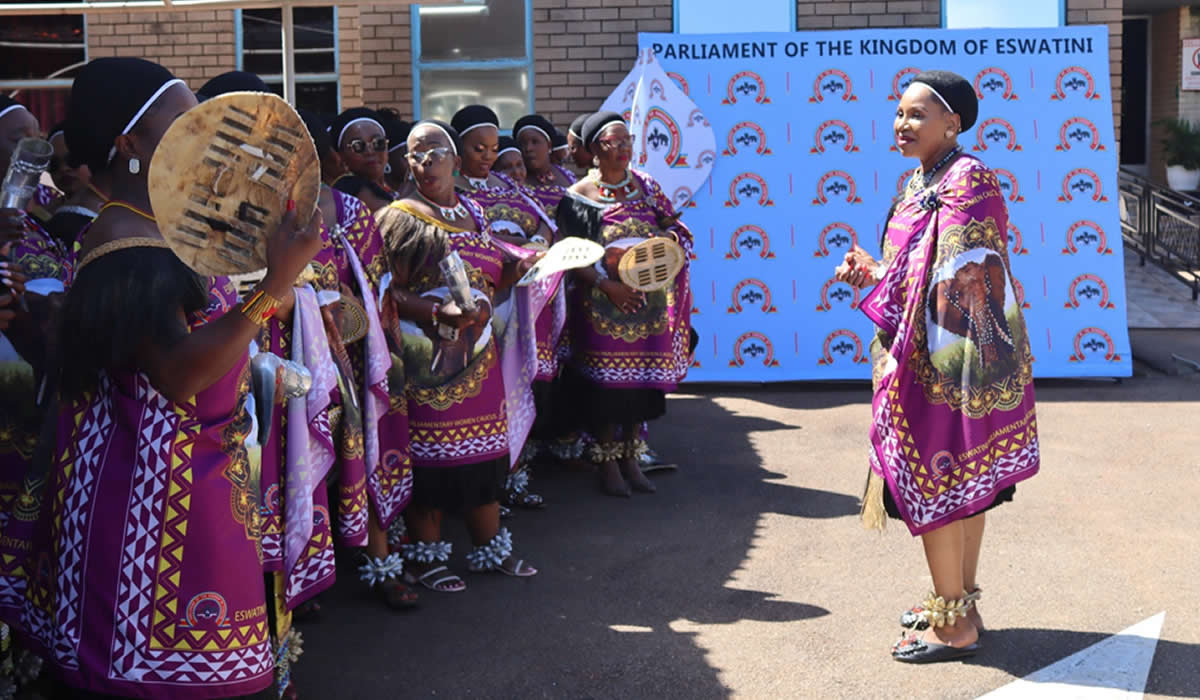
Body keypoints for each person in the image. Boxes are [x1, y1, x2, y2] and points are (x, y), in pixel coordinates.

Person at [0, 57, 323, 699]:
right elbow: (177, 375)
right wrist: (273, 291)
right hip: (154, 504)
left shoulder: (158, 230)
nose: (201, 131)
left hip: (184, 479)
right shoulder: (128, 242)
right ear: (129, 145)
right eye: (181, 120)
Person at [834, 70, 1040, 664]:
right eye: (899, 113)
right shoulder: (919, 180)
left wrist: (888, 284)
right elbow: (912, 268)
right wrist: (872, 272)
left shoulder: (968, 177)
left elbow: (955, 271)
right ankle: (959, 604)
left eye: (917, 114)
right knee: (959, 487)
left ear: (953, 122)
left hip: (949, 362)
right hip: (920, 347)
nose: (902, 124)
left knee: (945, 483)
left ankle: (953, 627)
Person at [374, 120, 540, 593]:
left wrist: (520, 268)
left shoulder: (473, 212)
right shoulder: (399, 216)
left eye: (436, 153)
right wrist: (433, 309)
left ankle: (490, 549)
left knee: (483, 457)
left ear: (455, 159)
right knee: (432, 461)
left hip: (480, 359)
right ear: (407, 163)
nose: (427, 162)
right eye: (417, 154)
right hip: (427, 362)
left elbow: (492, 277)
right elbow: (381, 291)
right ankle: (427, 557)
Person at [555, 112, 693, 497]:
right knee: (605, 391)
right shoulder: (580, 195)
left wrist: (668, 236)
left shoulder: (647, 186)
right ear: (594, 150)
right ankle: (607, 463)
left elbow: (675, 225)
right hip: (602, 305)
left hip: (647, 303)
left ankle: (631, 456)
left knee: (640, 387)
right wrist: (606, 285)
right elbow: (572, 255)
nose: (621, 150)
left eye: (626, 141)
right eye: (611, 143)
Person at [451, 105, 564, 512]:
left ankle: (515, 474)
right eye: (476, 147)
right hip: (481, 304)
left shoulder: (506, 184)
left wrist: (536, 246)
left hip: (519, 300)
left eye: (492, 147)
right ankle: (487, 483)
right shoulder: (452, 190)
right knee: (485, 394)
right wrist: (510, 254)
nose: (486, 154)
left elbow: (543, 223)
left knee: (516, 387)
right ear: (457, 147)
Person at [331, 107, 394, 213]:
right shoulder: (351, 194)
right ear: (341, 155)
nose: (370, 151)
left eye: (378, 143)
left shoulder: (394, 188)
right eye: (358, 146)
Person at [47, 122, 90, 198]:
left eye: (72, 159)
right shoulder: (48, 208)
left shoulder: (114, 206)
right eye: (54, 164)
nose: (63, 168)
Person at [377, 108, 412, 194]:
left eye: (415, 155)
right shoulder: (375, 196)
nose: (412, 161)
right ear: (386, 158)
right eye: (406, 156)